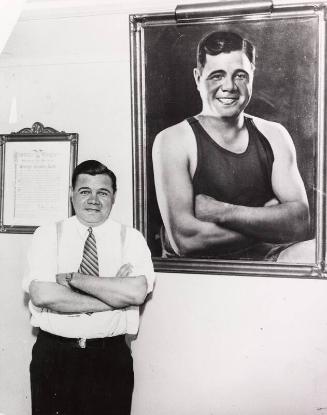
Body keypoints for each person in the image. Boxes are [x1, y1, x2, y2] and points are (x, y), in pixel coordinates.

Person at [152, 30, 311, 261]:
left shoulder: (274, 135)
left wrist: (221, 211)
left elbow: (300, 223)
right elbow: (186, 240)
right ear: (198, 78)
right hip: (201, 276)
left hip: (269, 265)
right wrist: (269, 222)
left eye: (240, 75)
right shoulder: (173, 140)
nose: (229, 86)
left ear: (252, 75)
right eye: (217, 75)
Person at [22, 159, 155, 415]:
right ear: (71, 194)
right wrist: (114, 293)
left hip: (110, 358)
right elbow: (43, 294)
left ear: (113, 197)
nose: (93, 199)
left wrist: (74, 279)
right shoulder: (48, 234)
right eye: (85, 191)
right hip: (54, 356)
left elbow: (137, 292)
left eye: (102, 192)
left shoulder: (132, 239)